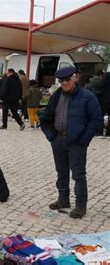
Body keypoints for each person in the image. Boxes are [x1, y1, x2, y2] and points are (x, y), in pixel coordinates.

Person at [40, 66, 102, 218]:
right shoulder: (56, 95)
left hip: (76, 142)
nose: (65, 83)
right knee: (61, 172)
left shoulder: (87, 97)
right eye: (61, 81)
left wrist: (83, 140)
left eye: (68, 80)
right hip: (58, 139)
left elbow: (96, 119)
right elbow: (46, 117)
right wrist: (51, 135)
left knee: (78, 175)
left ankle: (81, 206)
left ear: (75, 78)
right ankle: (63, 199)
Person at [97, 72, 110, 137]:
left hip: (105, 99)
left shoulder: (107, 75)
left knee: (101, 115)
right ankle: (108, 132)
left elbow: (101, 85)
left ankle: (100, 132)